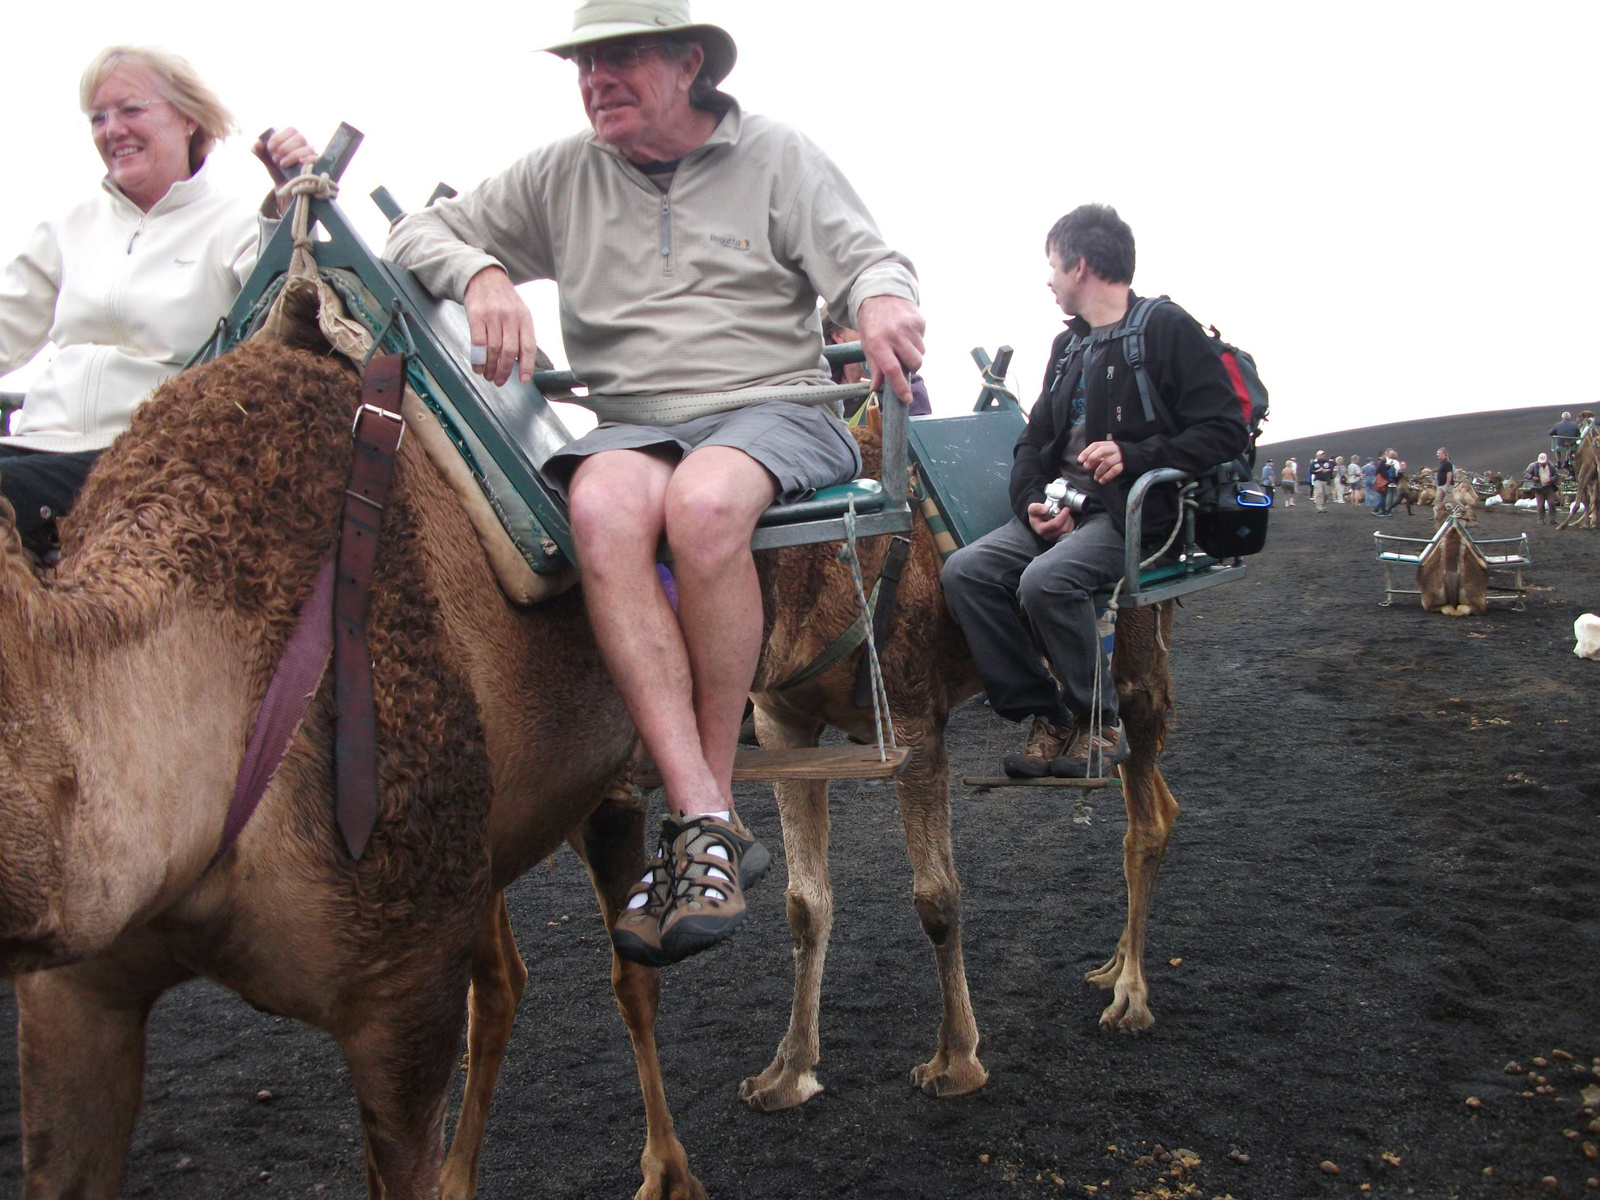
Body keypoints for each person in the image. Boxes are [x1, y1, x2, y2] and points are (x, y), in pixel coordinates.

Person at [384, 0, 924, 968]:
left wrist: (882, 299)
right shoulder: (561, 173)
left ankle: (699, 815)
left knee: (705, 503)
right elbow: (418, 233)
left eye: (620, 57)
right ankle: (708, 818)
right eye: (584, 65)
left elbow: (867, 258)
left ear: (688, 64)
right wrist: (480, 275)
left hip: (775, 409)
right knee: (596, 502)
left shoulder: (778, 158)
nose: (596, 80)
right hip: (637, 423)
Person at [940, 204, 1245, 781]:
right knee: (965, 571)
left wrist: (1136, 455)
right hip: (1060, 507)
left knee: (1046, 581)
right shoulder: (1068, 348)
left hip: (1133, 511)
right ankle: (1047, 712)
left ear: (1079, 265)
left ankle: (1101, 723)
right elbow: (1032, 442)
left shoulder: (1164, 329)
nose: (1048, 279)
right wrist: (1032, 503)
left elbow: (1223, 428)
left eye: (1052, 265)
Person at [0, 46, 315, 557]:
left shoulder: (236, 224)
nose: (111, 130)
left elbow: (287, 315)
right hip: (37, 445)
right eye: (98, 117)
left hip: (144, 460)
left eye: (130, 110)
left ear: (187, 116)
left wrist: (289, 208)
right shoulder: (67, 227)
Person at [823, 306, 930, 419]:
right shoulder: (818, 384)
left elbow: (918, 432)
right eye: (862, 324)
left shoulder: (908, 384)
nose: (875, 332)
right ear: (838, 336)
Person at [1525, 452, 1560, 524]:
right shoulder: (1533, 466)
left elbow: (1556, 475)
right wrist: (1532, 477)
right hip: (1539, 488)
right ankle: (1540, 520)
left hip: (1549, 488)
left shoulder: (1551, 466)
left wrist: (1552, 479)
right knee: (1540, 505)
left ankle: (1552, 519)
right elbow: (1526, 473)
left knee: (1552, 503)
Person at [1432, 446, 1455, 524]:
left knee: (1447, 502)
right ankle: (1437, 517)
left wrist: (1447, 484)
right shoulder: (1442, 463)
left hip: (1446, 486)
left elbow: (1449, 474)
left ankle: (1453, 517)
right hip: (1440, 486)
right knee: (1437, 502)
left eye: (1439, 453)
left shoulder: (1448, 463)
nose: (1437, 455)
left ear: (1444, 454)